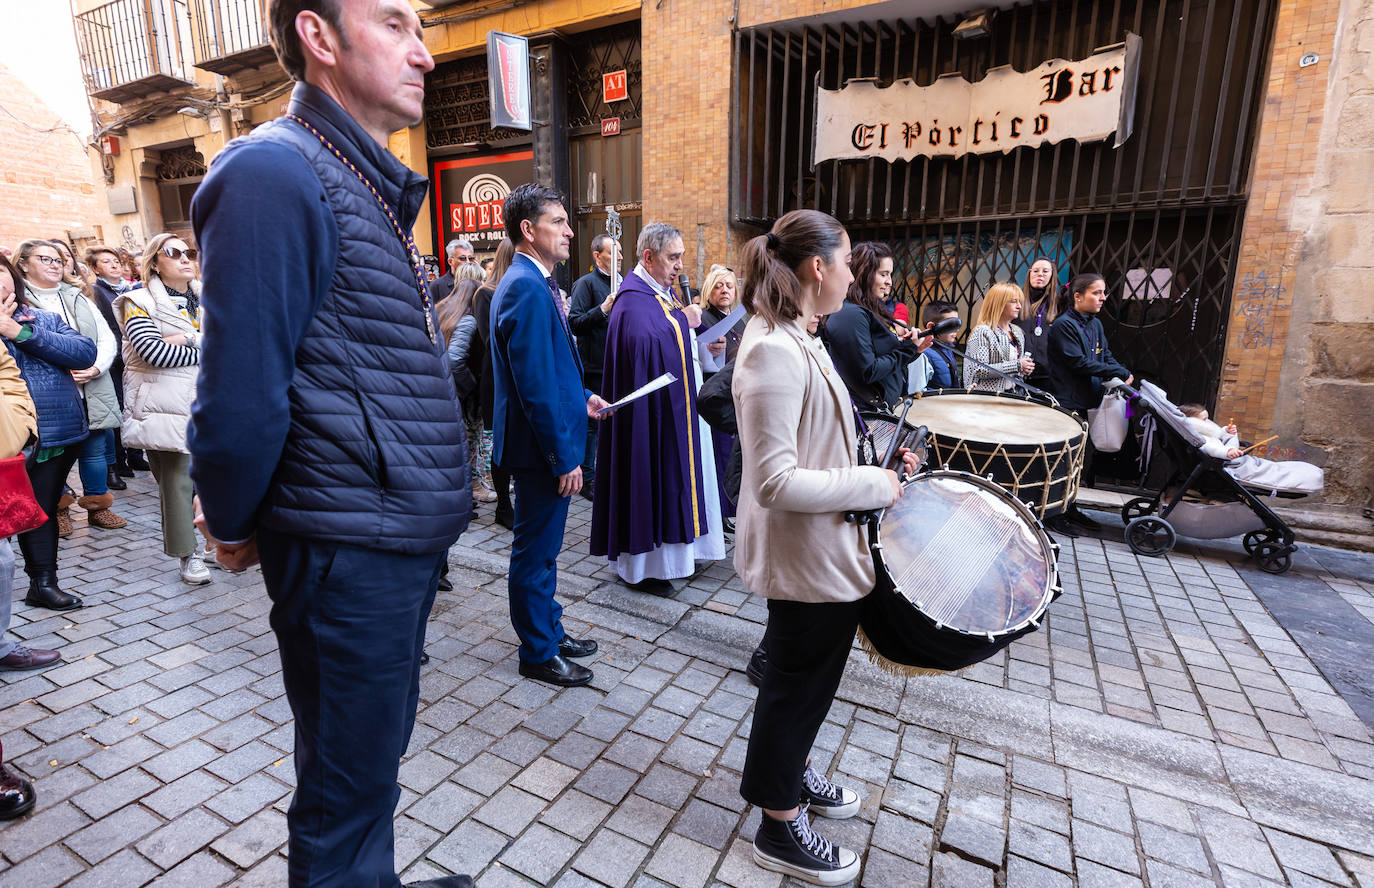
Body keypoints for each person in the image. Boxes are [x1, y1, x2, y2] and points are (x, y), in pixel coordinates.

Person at [187, 2, 473, 886]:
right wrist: (230, 519)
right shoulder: (276, 172)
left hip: (383, 538)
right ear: (319, 37)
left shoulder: (351, 173)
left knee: (365, 772)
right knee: (344, 794)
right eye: (394, 24)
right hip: (348, 548)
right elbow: (238, 395)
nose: (423, 52)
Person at [732, 210, 921, 885]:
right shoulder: (771, 350)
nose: (852, 276)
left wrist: (875, 460)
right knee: (793, 687)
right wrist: (872, 482)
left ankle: (791, 772)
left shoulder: (796, 334)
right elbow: (774, 480)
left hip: (824, 546)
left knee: (808, 688)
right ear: (819, 269)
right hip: (803, 555)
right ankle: (778, 824)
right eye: (845, 264)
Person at [489, 183, 610, 688]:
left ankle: (550, 630)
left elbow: (551, 368)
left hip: (545, 443)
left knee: (545, 550)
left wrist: (582, 395)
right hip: (540, 452)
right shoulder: (524, 285)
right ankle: (537, 651)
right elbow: (533, 384)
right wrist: (564, 458)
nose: (567, 230)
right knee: (535, 552)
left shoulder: (535, 283)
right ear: (528, 230)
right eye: (557, 222)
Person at [590, 222, 727, 598]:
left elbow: (667, 340)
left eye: (682, 256)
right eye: (673, 257)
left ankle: (677, 556)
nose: (680, 265)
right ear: (648, 258)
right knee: (650, 476)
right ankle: (645, 567)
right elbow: (645, 341)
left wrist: (695, 335)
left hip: (674, 410)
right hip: (647, 418)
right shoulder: (632, 299)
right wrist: (686, 321)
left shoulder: (660, 294)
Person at [113, 234, 212, 584]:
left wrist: (186, 339)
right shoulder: (136, 301)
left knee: (218, 476)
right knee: (177, 482)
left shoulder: (209, 296)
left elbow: (239, 342)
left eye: (190, 252)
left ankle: (214, 538)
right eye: (174, 252)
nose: (186, 258)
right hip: (164, 406)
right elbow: (155, 354)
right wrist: (204, 341)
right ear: (155, 261)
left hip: (213, 402)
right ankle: (189, 554)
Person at [1, 251, 96, 611]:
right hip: (5, 441)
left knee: (40, 510)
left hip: (51, 435)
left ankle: (43, 583)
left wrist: (18, 331)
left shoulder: (42, 318)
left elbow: (83, 352)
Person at [15, 239, 127, 534]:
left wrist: (95, 367)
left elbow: (105, 338)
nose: (55, 265)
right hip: (48, 393)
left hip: (89, 386)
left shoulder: (77, 296)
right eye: (45, 259)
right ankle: (59, 507)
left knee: (95, 450)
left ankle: (97, 506)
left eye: (58, 260)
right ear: (24, 264)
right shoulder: (18, 301)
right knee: (53, 453)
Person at [1047, 272, 1133, 534]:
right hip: (1066, 401)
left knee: (1078, 461)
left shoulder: (1094, 324)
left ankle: (1070, 508)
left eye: (1103, 292)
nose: (1103, 298)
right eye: (1097, 292)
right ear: (1077, 296)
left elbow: (1104, 355)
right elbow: (1078, 362)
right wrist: (1115, 374)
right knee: (1063, 459)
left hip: (1088, 400)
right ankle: (1053, 514)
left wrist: (1122, 370)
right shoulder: (1063, 325)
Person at [821, 242, 924, 409]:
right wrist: (908, 349)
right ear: (865, 274)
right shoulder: (851, 314)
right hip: (864, 416)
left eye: (890, 275)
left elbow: (886, 363)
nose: (889, 282)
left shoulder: (868, 310)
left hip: (877, 411)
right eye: (883, 274)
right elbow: (868, 371)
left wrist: (914, 349)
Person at [568, 233, 620, 500]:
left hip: (618, 366)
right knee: (592, 425)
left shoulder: (624, 284)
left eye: (621, 253)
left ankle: (609, 472)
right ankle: (588, 478)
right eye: (613, 253)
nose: (620, 258)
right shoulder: (585, 285)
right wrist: (602, 309)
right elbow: (574, 322)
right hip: (594, 366)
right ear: (597, 256)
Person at [86, 244, 141, 486]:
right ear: (95, 269)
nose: (114, 265)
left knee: (132, 405)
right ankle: (117, 464)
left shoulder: (128, 289)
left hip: (131, 357)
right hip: (113, 360)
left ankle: (133, 456)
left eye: (116, 261)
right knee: (116, 410)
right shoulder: (97, 292)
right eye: (107, 262)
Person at [439, 278, 496, 506]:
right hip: (463, 395)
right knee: (471, 443)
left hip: (445, 392)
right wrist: (472, 387)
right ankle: (472, 488)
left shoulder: (442, 311)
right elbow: (454, 360)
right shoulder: (468, 320)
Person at [471, 238, 516, 528]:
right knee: (500, 441)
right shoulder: (485, 294)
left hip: (514, 376)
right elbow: (490, 340)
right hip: (497, 378)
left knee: (513, 441)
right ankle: (503, 506)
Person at [1178, 404, 1324, 492]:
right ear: (1193, 422)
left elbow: (1216, 438)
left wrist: (1226, 433)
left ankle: (1307, 473)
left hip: (1239, 462)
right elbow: (1212, 449)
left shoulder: (1207, 434)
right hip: (1234, 467)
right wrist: (1228, 451)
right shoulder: (1200, 438)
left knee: (1273, 467)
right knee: (1273, 471)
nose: (1208, 422)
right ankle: (1308, 477)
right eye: (1204, 420)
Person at [963, 282, 1034, 393]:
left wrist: (1024, 369)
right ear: (999, 304)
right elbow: (979, 369)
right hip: (985, 398)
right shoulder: (982, 332)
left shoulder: (1018, 332)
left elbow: (1015, 369)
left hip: (1014, 394)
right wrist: (1018, 365)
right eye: (1013, 301)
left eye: (1019, 302)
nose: (1019, 306)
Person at [1015, 256, 1064, 392]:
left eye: (1045, 271)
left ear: (1051, 276)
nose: (1040, 274)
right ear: (1029, 274)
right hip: (1017, 374)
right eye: (1035, 270)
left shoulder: (1059, 304)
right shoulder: (1017, 301)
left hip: (1047, 377)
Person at [922, 301, 961, 391]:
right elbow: (919, 390)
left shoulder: (947, 348)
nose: (957, 329)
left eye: (958, 323)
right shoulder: (924, 354)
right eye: (951, 324)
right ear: (931, 326)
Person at [427, 237, 475, 304]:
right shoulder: (437, 285)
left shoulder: (477, 283)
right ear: (450, 261)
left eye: (470, 258)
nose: (468, 262)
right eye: (462, 258)